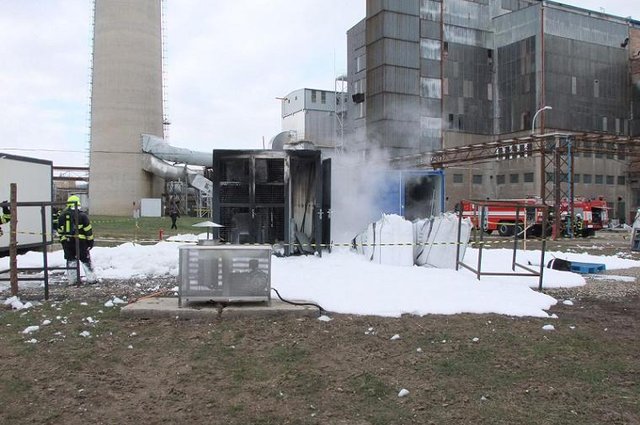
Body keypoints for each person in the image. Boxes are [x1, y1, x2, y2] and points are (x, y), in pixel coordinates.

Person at [57, 195, 97, 285]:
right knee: (85, 260)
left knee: (71, 260)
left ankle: (72, 280)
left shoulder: (62, 216)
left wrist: (63, 241)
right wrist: (90, 242)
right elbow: (88, 230)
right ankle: (91, 279)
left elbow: (59, 230)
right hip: (81, 242)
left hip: (67, 242)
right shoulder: (82, 216)